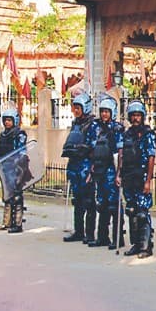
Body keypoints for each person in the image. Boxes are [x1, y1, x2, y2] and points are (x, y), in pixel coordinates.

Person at [86, 97, 125, 249]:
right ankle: (102, 237)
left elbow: (120, 152)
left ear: (112, 112)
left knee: (114, 205)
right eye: (102, 111)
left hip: (111, 169)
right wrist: (92, 169)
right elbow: (92, 149)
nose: (104, 115)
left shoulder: (117, 129)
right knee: (101, 204)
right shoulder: (95, 127)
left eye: (107, 112)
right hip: (99, 170)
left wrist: (118, 174)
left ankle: (118, 238)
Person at [120, 101, 156, 257]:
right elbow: (121, 156)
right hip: (129, 177)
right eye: (133, 115)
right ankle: (135, 244)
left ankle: (145, 247)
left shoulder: (148, 134)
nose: (135, 118)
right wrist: (118, 175)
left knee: (142, 213)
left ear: (143, 117)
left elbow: (151, 157)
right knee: (132, 211)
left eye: (138, 115)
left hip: (142, 177)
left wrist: (148, 180)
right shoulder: (126, 134)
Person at [61, 93, 97, 243]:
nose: (75, 111)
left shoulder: (93, 125)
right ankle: (79, 231)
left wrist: (92, 169)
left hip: (86, 167)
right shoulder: (76, 124)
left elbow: (95, 148)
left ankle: (89, 234)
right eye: (74, 107)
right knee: (77, 201)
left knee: (89, 201)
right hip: (75, 166)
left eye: (78, 108)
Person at [0, 107, 27, 232]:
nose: (7, 122)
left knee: (17, 196)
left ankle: (17, 224)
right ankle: (6, 222)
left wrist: (20, 169)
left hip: (16, 168)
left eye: (9, 120)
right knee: (7, 196)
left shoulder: (20, 134)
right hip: (5, 169)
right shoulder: (2, 135)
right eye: (5, 120)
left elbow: (22, 152)